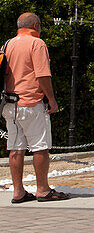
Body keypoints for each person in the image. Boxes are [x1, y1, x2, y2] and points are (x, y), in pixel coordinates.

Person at [3, 13, 69, 202]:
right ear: (35, 25)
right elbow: (42, 75)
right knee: (40, 147)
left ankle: (18, 191)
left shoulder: (8, 44)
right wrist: (52, 100)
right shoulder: (37, 44)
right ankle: (42, 189)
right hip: (31, 103)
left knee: (15, 147)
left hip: (10, 104)